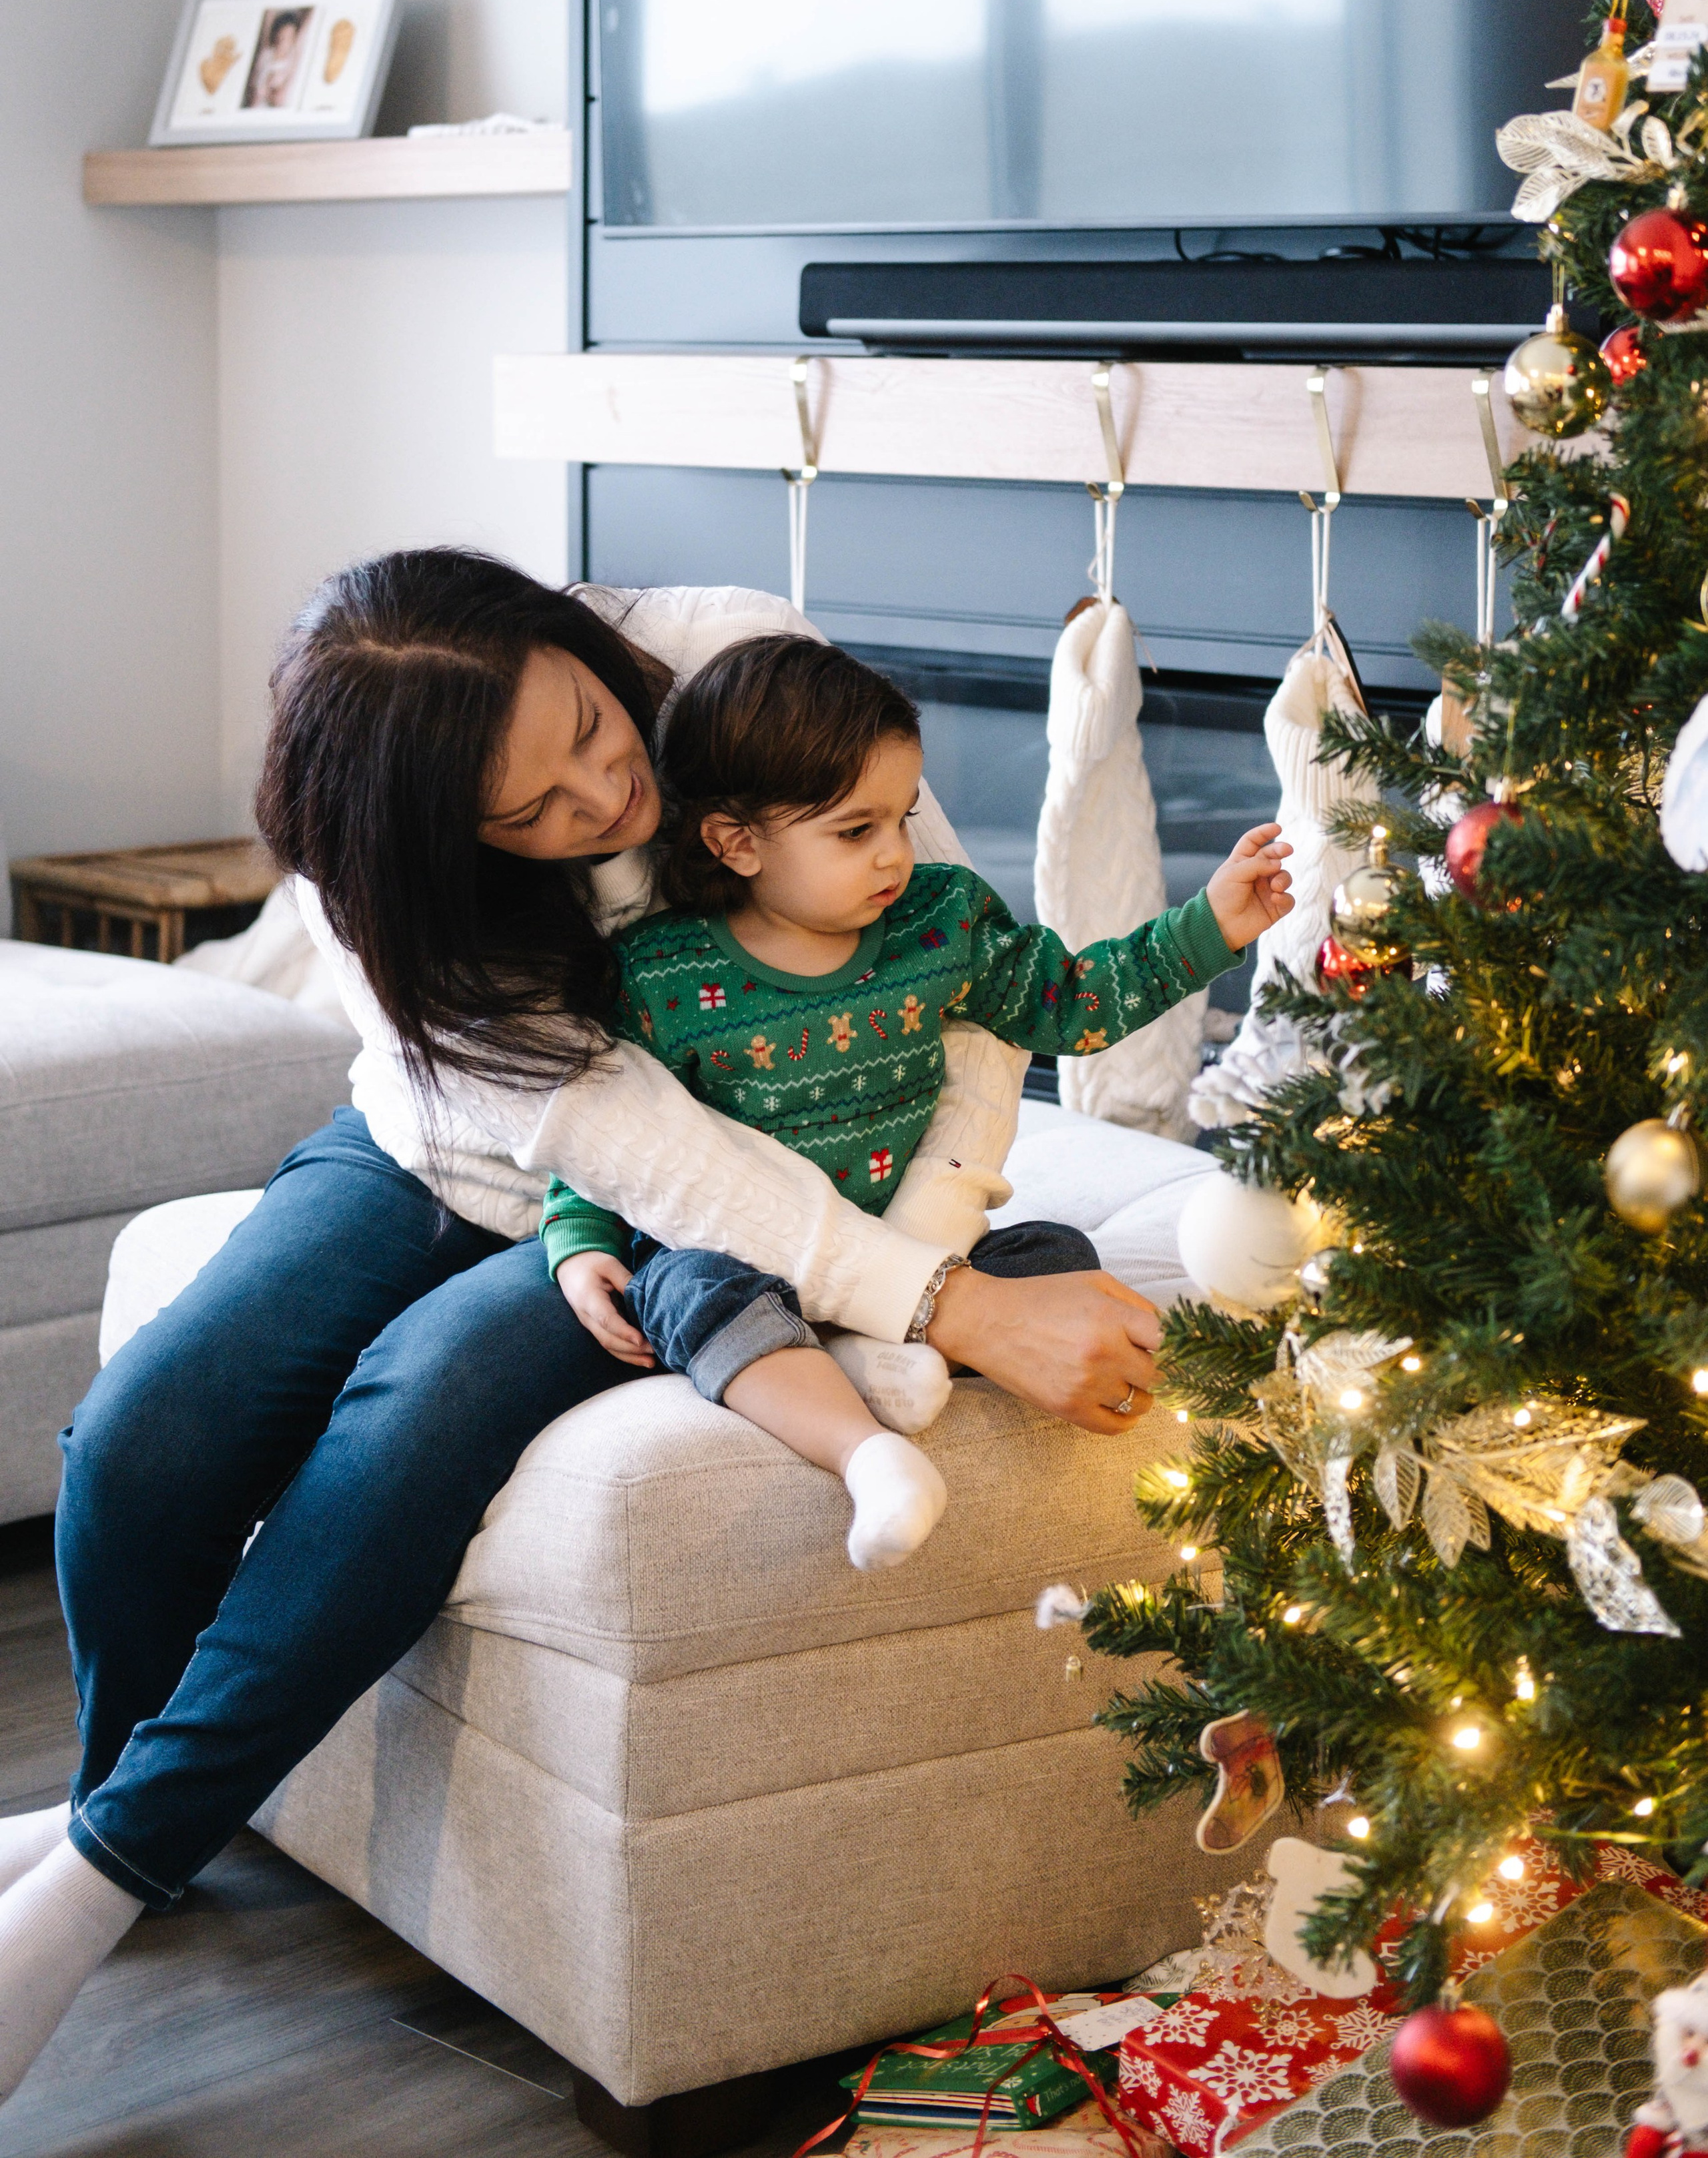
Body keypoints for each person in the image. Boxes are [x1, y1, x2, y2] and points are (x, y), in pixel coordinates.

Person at [0, 551, 1190, 2106]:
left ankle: (92, 1884)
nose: (601, 795)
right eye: (530, 811)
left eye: (585, 731)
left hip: (671, 1206)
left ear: (570, 642)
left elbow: (946, 968)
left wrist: (933, 1259)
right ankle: (120, 1811)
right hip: (449, 1148)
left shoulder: (732, 664)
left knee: (413, 1416)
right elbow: (599, 1125)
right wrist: (955, 1309)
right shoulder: (377, 863)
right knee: (143, 1435)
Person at [542, 635, 1292, 1570]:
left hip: (921, 1248)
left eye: (902, 817)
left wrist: (1209, 925)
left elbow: (1072, 1003)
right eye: (855, 832)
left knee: (1057, 1256)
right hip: (743, 1267)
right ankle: (869, 1451)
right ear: (736, 842)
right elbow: (615, 1140)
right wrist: (579, 1244)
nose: (895, 854)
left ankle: (877, 1350)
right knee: (684, 1287)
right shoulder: (661, 976)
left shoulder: (942, 922)